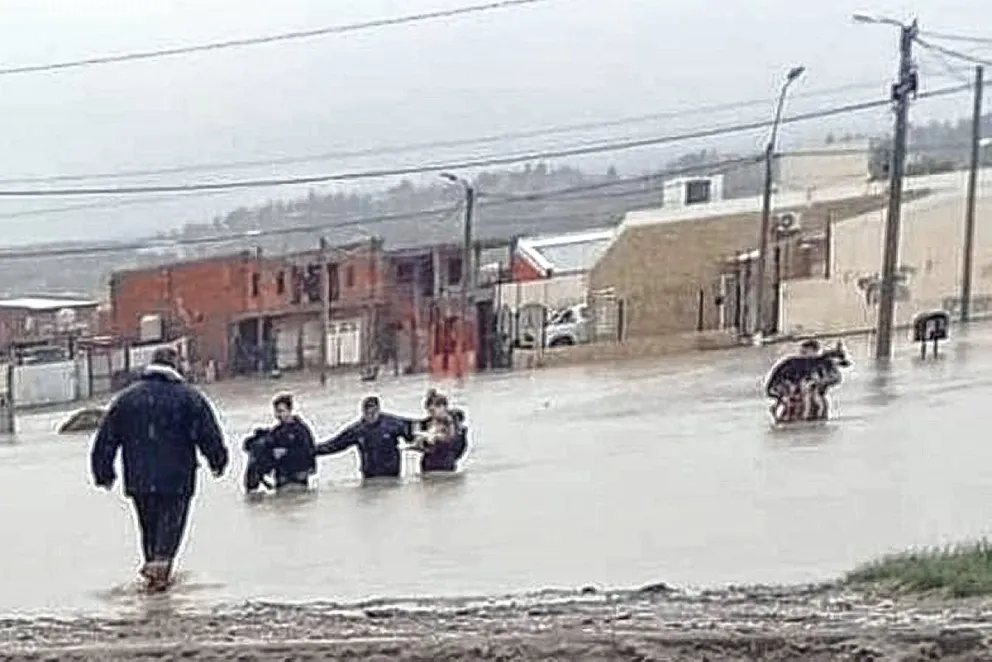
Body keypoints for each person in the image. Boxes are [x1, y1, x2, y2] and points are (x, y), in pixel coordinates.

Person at [90, 347, 228, 592]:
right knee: (172, 524)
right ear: (176, 366)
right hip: (177, 476)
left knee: (148, 526)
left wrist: (103, 473)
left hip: (139, 476)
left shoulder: (126, 399)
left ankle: (154, 573)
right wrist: (217, 460)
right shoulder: (189, 397)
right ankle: (160, 567)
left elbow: (106, 439)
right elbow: (209, 434)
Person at [314, 396, 417, 479]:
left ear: (378, 410)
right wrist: (311, 451)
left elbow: (414, 433)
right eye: (367, 413)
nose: (370, 416)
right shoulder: (358, 430)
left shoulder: (392, 424)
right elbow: (335, 444)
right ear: (362, 412)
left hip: (391, 475)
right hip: (369, 476)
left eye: (373, 412)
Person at [242, 393, 317, 493]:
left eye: (281, 411)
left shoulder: (301, 430)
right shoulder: (276, 431)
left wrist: (286, 452)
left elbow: (308, 452)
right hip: (281, 478)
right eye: (276, 412)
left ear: (290, 410)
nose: (278, 415)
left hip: (298, 477)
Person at [418, 389, 469, 473]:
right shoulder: (427, 423)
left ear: (443, 407)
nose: (431, 414)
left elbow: (453, 442)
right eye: (428, 411)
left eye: (432, 411)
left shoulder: (453, 423)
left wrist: (436, 437)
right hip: (428, 465)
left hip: (446, 465)